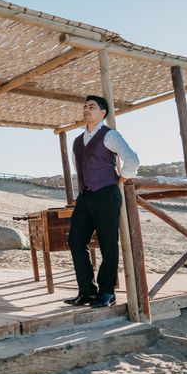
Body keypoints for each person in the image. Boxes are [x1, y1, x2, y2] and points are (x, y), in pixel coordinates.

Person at [64, 95, 139, 308]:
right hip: (86, 196)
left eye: (92, 107)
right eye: (85, 107)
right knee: (76, 241)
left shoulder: (110, 135)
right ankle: (87, 291)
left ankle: (107, 292)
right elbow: (78, 167)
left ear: (103, 113)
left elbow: (132, 159)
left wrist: (121, 180)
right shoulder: (77, 141)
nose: (87, 110)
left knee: (108, 242)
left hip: (107, 192)